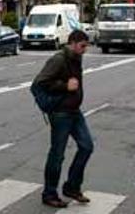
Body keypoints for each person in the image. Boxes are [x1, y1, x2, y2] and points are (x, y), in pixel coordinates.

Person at [33, 30, 93, 208]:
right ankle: (49, 193)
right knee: (57, 154)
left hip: (74, 111)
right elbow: (39, 83)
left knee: (87, 146)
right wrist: (65, 86)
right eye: (82, 46)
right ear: (73, 43)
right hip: (60, 114)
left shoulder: (76, 58)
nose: (85, 50)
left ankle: (72, 187)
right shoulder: (58, 59)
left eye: (86, 46)